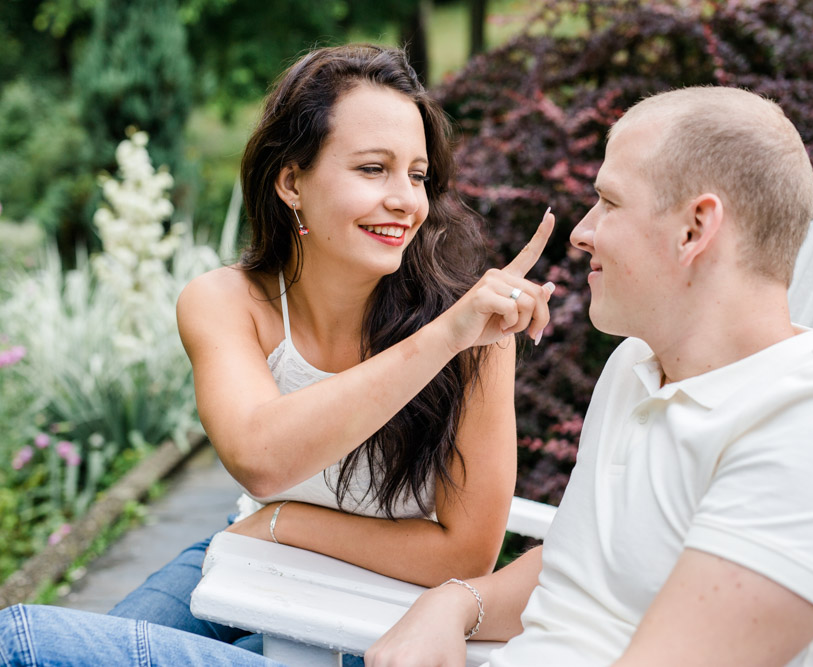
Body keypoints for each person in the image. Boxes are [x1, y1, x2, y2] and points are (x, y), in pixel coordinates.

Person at [0, 43, 556, 665]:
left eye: (418, 174)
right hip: (244, 558)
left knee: (23, 640)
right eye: (373, 169)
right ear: (292, 181)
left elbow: (464, 555)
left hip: (384, 605)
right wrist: (269, 527)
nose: (406, 200)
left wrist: (285, 522)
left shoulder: (470, 333)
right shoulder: (225, 301)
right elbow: (260, 458)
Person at [364, 86, 813, 666]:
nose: (582, 232)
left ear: (695, 228)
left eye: (609, 202)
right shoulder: (637, 371)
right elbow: (586, 572)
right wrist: (452, 605)